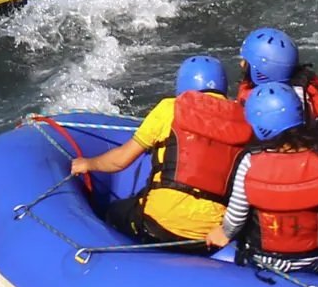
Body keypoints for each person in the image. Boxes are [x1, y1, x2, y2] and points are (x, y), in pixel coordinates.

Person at [67, 55, 252, 246]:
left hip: (157, 226)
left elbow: (119, 160)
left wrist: (87, 164)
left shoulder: (169, 109)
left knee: (115, 213)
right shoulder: (245, 122)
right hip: (210, 237)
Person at [210, 83, 318, 276]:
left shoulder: (249, 163)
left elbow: (236, 218)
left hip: (263, 261)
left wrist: (223, 233)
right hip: (315, 261)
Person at [236, 26, 318, 157]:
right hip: (315, 158)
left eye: (247, 62)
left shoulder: (260, 101)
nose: (242, 64)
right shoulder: (309, 90)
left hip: (270, 164)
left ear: (263, 68)